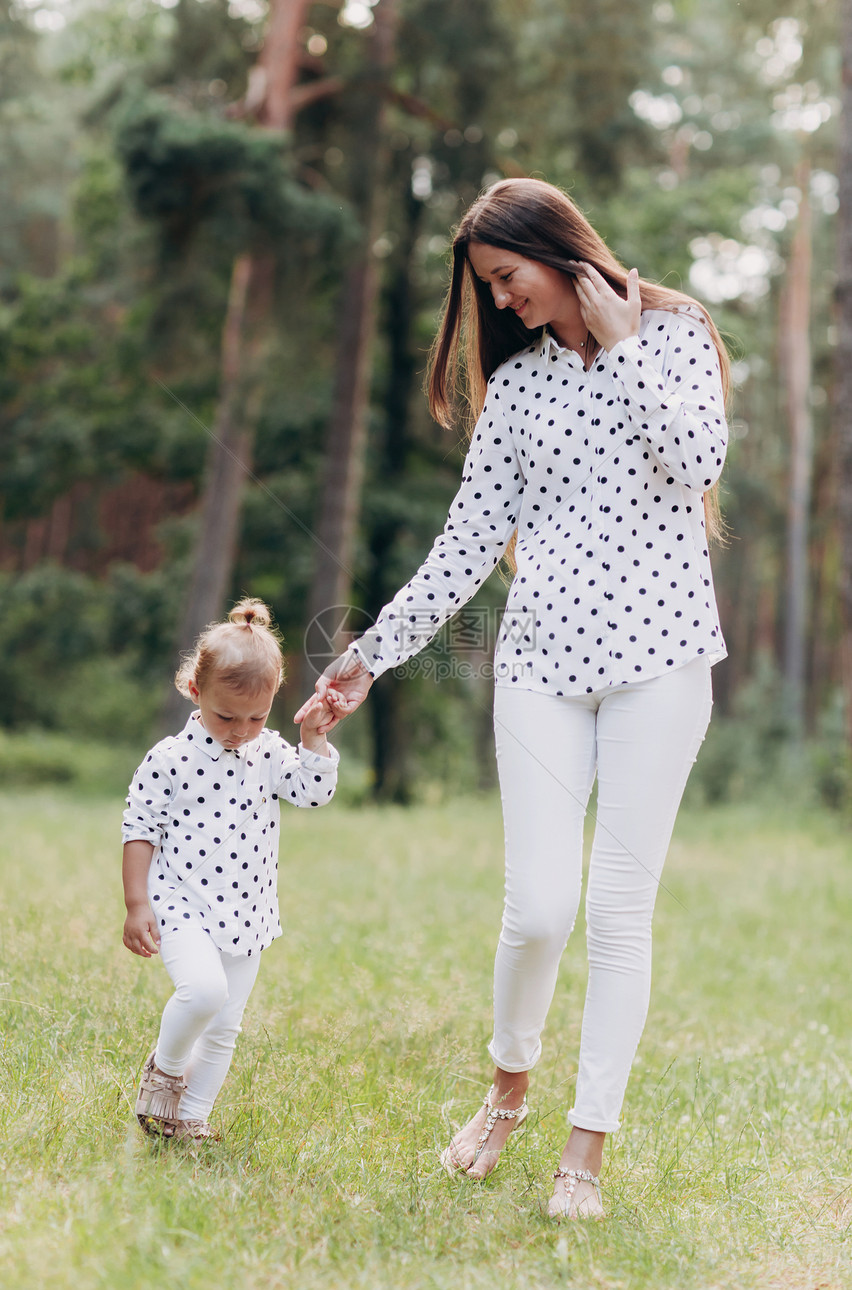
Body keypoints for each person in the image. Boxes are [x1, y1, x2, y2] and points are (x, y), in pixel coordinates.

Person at [297, 177, 729, 1218]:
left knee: (619, 915)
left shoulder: (674, 337)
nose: (501, 302)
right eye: (487, 291)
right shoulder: (520, 390)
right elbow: (460, 548)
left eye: (506, 279)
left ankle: (583, 1151)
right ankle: (505, 1090)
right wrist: (368, 657)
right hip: (537, 673)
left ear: (554, 247)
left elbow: (698, 461)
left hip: (659, 670)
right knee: (537, 910)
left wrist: (622, 347)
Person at [122, 598, 341, 1142]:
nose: (241, 729)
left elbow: (312, 793)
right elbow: (139, 828)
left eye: (256, 717)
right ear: (195, 691)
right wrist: (136, 903)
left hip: (247, 911)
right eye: (226, 715)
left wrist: (313, 738)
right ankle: (164, 1073)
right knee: (201, 991)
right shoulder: (168, 759)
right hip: (180, 902)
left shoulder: (268, 752)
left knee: (224, 1028)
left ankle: (190, 1117)